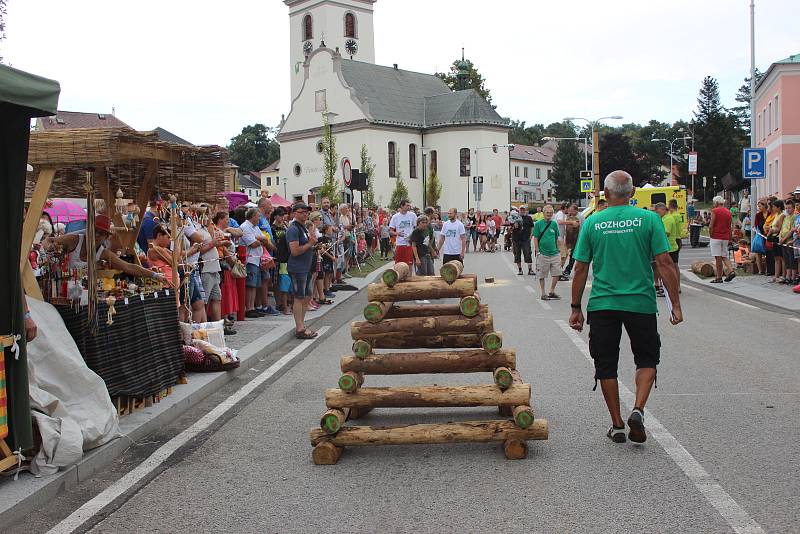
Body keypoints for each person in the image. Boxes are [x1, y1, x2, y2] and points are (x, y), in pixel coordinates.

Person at [569, 170, 682, 444]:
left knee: (605, 364)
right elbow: (665, 263)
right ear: (631, 194)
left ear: (605, 195)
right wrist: (675, 304)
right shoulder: (650, 219)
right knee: (646, 359)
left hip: (603, 303)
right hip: (640, 303)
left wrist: (575, 308)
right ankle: (638, 409)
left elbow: (581, 268)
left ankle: (617, 424)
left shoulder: (593, 222)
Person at [45, 214, 168, 284]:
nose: (97, 235)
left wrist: (155, 276)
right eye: (95, 231)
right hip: (62, 288)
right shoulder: (75, 240)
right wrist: (51, 248)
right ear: (88, 229)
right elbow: (48, 241)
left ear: (106, 237)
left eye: (102, 233)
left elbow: (128, 266)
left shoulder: (102, 253)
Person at [287, 203, 318, 339]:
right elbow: (294, 251)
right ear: (295, 213)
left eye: (306, 212)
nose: (305, 214)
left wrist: (312, 245)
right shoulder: (293, 229)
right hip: (297, 268)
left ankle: (302, 325)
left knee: (306, 296)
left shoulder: (303, 227)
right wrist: (309, 244)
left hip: (305, 267)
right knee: (299, 297)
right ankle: (299, 328)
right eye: (302, 212)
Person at [240, 208, 268, 318]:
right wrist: (261, 240)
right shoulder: (245, 226)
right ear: (252, 216)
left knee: (255, 285)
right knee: (250, 285)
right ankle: (249, 308)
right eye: (258, 216)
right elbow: (253, 243)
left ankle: (253, 307)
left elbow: (265, 239)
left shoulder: (255, 227)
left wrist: (260, 239)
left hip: (257, 259)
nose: (259, 218)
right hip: (250, 259)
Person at [533, 205, 561, 300]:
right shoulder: (538, 224)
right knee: (542, 274)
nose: (549, 214)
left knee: (557, 273)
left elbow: (557, 237)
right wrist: (537, 250)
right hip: (543, 254)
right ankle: (543, 293)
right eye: (547, 213)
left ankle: (552, 291)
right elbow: (535, 238)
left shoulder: (554, 224)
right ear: (543, 213)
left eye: (551, 213)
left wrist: (558, 250)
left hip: (554, 253)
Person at [655, 202, 681, 293]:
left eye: (658, 212)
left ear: (663, 209)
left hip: (669, 247)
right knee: (673, 267)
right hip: (671, 246)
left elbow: (667, 232)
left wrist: (654, 236)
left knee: (668, 268)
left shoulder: (667, 219)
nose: (657, 214)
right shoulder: (667, 218)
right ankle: (675, 287)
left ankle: (671, 288)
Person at [709, 196, 735, 283]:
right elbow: (729, 227)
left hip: (716, 236)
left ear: (716, 203)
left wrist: (711, 234)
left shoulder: (714, 211)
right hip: (725, 237)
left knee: (718, 257)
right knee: (724, 256)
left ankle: (719, 277)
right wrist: (730, 239)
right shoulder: (728, 212)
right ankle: (731, 271)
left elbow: (711, 225)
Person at [389, 199, 417, 266]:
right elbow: (390, 231)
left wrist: (412, 236)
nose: (409, 207)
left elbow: (416, 228)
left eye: (409, 205)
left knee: (409, 265)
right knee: (398, 265)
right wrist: (397, 233)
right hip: (399, 244)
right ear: (402, 206)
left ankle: (409, 277)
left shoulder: (412, 215)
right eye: (407, 205)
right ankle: (400, 276)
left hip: (409, 244)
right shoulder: (395, 217)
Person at [511, 206, 534, 276]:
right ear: (519, 211)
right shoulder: (514, 217)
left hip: (526, 239)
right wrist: (513, 226)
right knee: (517, 254)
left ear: (525, 211)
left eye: (523, 210)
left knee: (528, 253)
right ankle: (520, 269)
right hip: (516, 239)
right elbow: (509, 227)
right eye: (521, 210)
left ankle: (530, 270)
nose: (522, 211)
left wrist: (531, 236)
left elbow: (532, 227)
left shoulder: (528, 218)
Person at [560, 204, 581, 280]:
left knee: (573, 256)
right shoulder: (573, 216)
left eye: (572, 211)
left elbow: (578, 227)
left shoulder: (579, 217)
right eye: (569, 211)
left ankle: (567, 271)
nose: (570, 212)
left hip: (578, 240)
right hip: (573, 240)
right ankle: (568, 271)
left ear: (576, 210)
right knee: (572, 256)